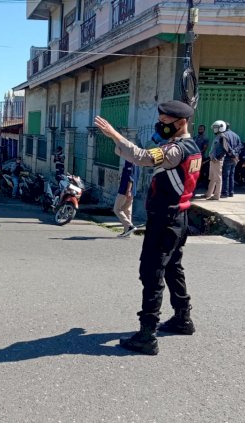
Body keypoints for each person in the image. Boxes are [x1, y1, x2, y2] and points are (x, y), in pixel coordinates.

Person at [95, 100, 201, 355]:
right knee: (173, 267)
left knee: (152, 272)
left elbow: (142, 157)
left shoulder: (175, 150)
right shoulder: (192, 146)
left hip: (164, 220)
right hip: (180, 218)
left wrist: (114, 134)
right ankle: (182, 318)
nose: (160, 126)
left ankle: (147, 334)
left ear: (181, 122)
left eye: (165, 123)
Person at [205, 120, 229, 200]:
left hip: (217, 161)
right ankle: (208, 194)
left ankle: (216, 196)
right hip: (213, 160)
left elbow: (226, 149)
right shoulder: (218, 137)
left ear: (221, 128)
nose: (214, 129)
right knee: (212, 177)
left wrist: (218, 158)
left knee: (218, 178)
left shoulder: (222, 137)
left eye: (216, 127)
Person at [114, 159, 136, 238]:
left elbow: (130, 177)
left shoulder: (129, 162)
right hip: (132, 191)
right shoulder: (137, 163)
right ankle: (127, 232)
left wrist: (128, 190)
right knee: (127, 211)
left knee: (117, 209)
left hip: (124, 191)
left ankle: (130, 226)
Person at [221, 124, 242, 198]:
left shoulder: (224, 135)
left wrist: (232, 154)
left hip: (228, 157)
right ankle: (231, 192)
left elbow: (226, 147)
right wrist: (235, 154)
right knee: (231, 175)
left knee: (226, 175)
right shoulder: (236, 135)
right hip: (234, 158)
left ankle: (225, 192)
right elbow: (240, 146)